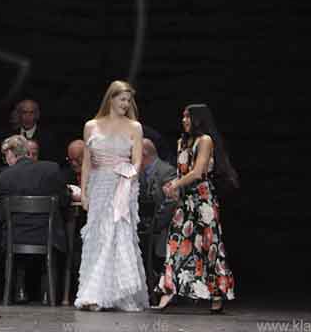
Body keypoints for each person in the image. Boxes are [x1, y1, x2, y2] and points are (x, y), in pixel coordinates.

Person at [154, 104, 238, 313]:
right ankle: (169, 289)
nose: (184, 120)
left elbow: (198, 171)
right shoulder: (181, 142)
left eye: (188, 117)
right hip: (185, 200)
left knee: (209, 246)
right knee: (176, 242)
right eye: (183, 116)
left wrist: (176, 184)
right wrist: (174, 186)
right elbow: (182, 172)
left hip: (203, 200)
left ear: (198, 119)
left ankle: (217, 293)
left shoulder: (205, 141)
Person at [73, 80, 149, 312]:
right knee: (98, 236)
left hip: (123, 184)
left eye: (128, 100)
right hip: (98, 185)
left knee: (116, 236)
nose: (126, 104)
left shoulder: (134, 127)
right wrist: (84, 192)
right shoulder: (91, 125)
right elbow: (87, 162)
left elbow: (136, 160)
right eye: (122, 99)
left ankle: (111, 294)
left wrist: (128, 178)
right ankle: (93, 291)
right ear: (111, 99)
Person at [0, 135, 70, 304]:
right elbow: (65, 200)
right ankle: (47, 294)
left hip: (15, 238)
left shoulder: (4, 177)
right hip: (49, 236)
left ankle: (20, 290)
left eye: (5, 156)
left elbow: (2, 213)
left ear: (11, 154)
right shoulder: (51, 169)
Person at [139, 139, 178, 296]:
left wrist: (155, 225)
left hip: (163, 227)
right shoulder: (139, 174)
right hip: (143, 226)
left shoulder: (167, 171)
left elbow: (171, 202)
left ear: (143, 153)